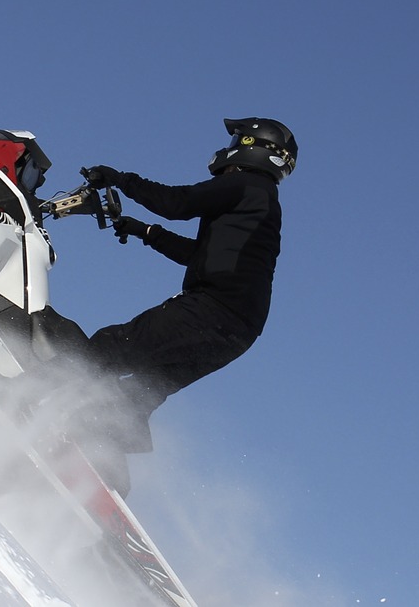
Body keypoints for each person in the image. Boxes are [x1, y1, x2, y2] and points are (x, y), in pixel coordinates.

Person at [68, 117, 296, 468]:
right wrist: (145, 231)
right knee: (143, 389)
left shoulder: (246, 184)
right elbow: (200, 255)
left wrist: (120, 179)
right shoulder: (262, 203)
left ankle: (23, 393)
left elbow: (179, 203)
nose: (227, 146)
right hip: (239, 333)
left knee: (112, 346)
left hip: (212, 310)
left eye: (237, 138)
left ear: (253, 148)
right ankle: (102, 456)